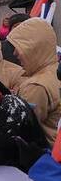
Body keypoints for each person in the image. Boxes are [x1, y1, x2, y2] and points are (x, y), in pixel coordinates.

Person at [6, 17, 61, 145]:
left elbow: (17, 128)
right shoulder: (56, 72)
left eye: (18, 47)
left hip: (45, 156)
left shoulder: (36, 86)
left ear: (33, 47)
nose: (14, 53)